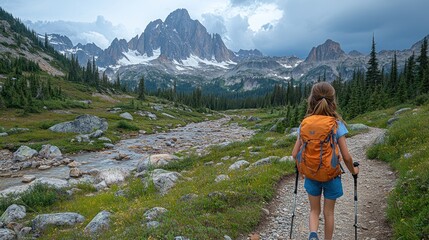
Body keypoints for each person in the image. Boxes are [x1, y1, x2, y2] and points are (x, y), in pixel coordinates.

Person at [291, 82, 359, 240]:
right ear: (332, 101)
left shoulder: (305, 124)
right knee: (329, 212)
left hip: (311, 176)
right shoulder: (336, 124)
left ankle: (313, 235)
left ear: (311, 100)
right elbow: (347, 157)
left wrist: (301, 169)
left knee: (314, 210)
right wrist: (353, 171)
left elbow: (295, 153)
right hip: (331, 176)